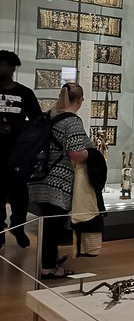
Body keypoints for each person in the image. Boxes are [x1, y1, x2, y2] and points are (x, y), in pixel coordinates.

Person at [29, 82, 91, 279]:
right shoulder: (72, 121)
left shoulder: (48, 115)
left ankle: (50, 258)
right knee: (53, 226)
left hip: (38, 177)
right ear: (80, 100)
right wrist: (91, 154)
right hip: (58, 181)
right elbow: (75, 153)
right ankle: (48, 268)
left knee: (49, 224)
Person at [0, 49, 41, 249]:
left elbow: (37, 122)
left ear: (12, 67)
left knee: (20, 195)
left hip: (18, 155)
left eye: (3, 65)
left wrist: (16, 128)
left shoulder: (25, 93)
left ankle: (18, 226)